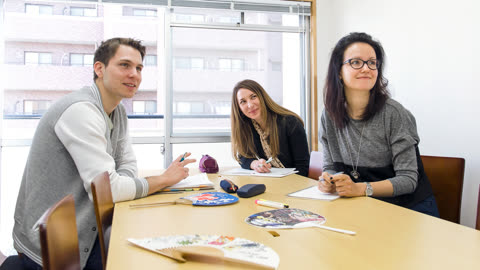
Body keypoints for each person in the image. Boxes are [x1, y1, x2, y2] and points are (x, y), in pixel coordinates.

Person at [12, 38, 196, 270]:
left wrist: (120, 184)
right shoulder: (80, 111)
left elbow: (126, 165)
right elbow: (110, 190)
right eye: (125, 65)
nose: (135, 74)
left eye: (139, 68)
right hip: (53, 246)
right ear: (99, 69)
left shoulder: (116, 109)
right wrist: (164, 179)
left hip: (86, 227)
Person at [318, 32, 439, 216]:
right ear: (339, 72)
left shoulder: (394, 114)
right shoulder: (329, 115)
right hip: (365, 206)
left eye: (372, 63)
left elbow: (408, 180)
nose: (366, 68)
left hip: (409, 209)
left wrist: (360, 189)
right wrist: (329, 180)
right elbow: (330, 167)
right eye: (356, 62)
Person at [231, 79, 310, 176]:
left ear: (262, 97)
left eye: (253, 97)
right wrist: (255, 164)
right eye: (243, 101)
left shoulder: (290, 123)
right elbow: (243, 157)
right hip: (272, 180)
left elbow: (303, 167)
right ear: (238, 108)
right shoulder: (248, 125)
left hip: (295, 182)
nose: (250, 105)